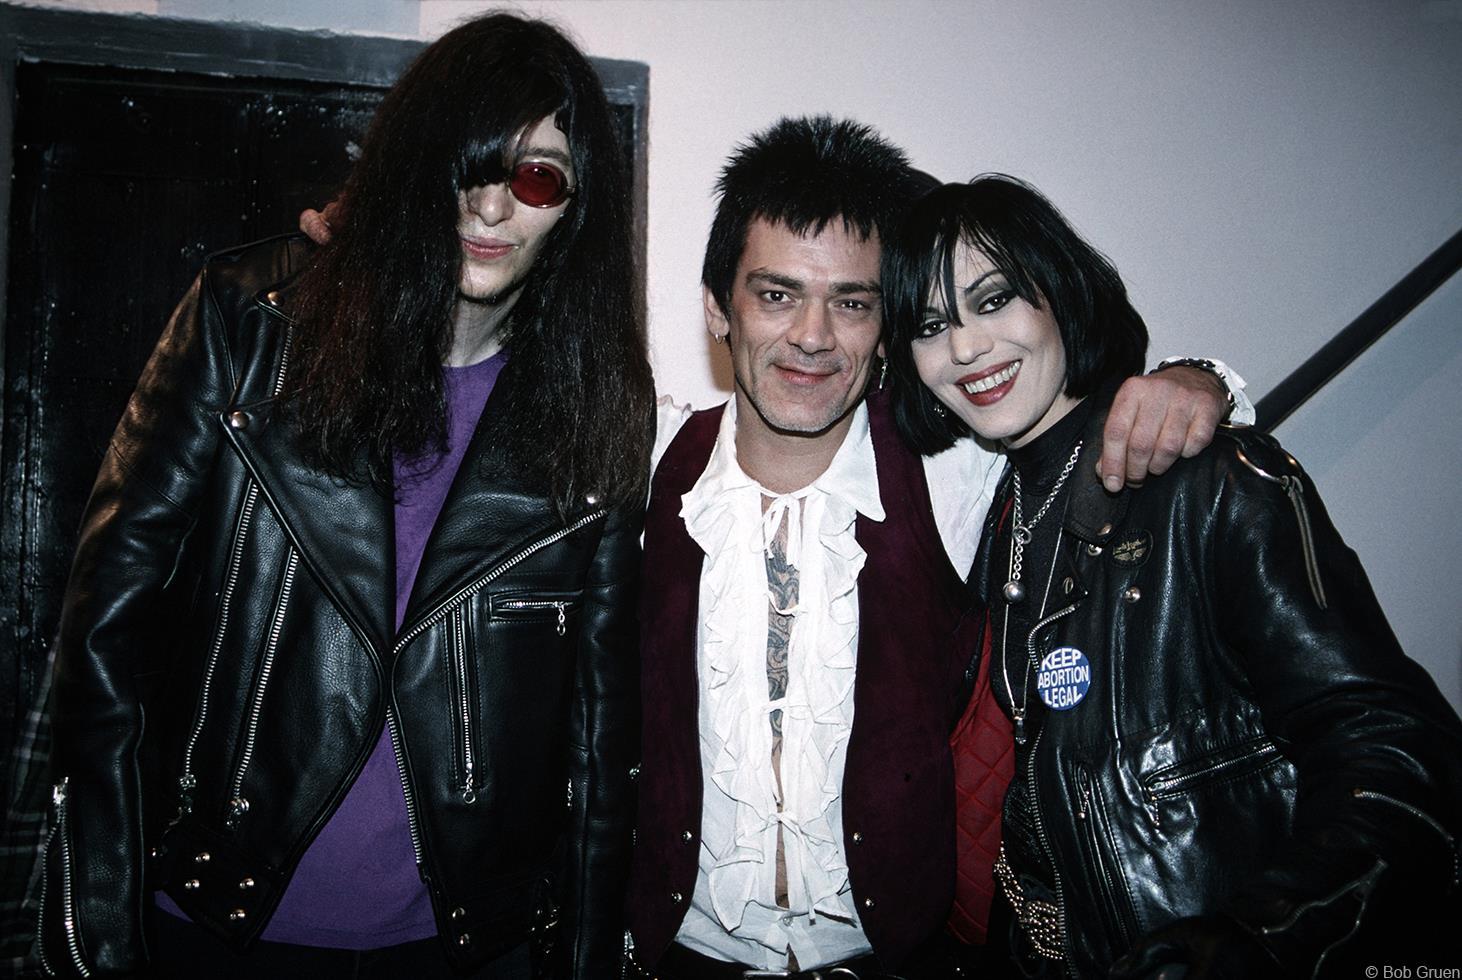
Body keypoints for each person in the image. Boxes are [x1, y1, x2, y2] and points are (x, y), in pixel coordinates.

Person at [36, 12, 651, 978]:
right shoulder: (250, 327)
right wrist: (103, 924)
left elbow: (598, 724)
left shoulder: (596, 407)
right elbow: (103, 630)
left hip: (454, 948)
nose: (491, 209)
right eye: (467, 161)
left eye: (535, 176)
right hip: (217, 925)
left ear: (570, 208)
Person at [623, 117, 1242, 978]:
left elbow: (1074, 401)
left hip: (896, 959)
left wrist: (1191, 379)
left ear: (887, 329)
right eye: (775, 295)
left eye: (852, 302)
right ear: (717, 308)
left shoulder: (958, 474)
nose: (812, 334)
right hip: (675, 957)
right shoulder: (644, 464)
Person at [882, 174, 1462, 977]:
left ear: (1062, 294)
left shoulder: (1208, 482)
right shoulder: (990, 510)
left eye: (995, 300)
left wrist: (1261, 935)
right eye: (931, 324)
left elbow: (1394, 749)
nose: (966, 348)